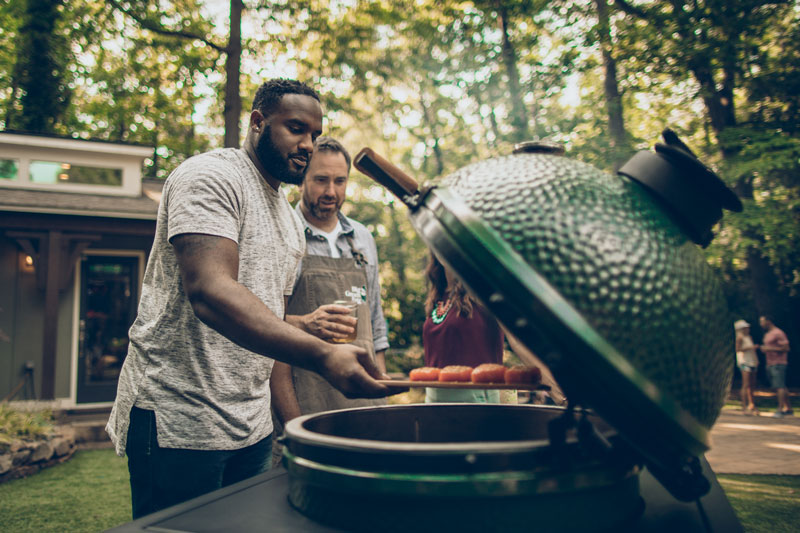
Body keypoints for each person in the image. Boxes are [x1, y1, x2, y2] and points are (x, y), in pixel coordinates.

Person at [105, 79, 390, 519]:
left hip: (252, 426)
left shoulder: (288, 219)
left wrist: (302, 325)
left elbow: (265, 319)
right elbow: (211, 292)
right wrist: (322, 355)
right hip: (181, 418)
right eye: (296, 128)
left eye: (314, 134)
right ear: (258, 122)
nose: (308, 144)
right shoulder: (211, 176)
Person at [270, 136, 389, 427]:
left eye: (340, 181)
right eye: (321, 180)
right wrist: (292, 426)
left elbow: (375, 323)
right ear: (301, 180)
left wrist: (381, 400)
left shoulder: (362, 238)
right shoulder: (284, 234)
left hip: (364, 402)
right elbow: (264, 327)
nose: (331, 191)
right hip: (307, 401)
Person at [759, 315, 792, 418]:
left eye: (762, 321)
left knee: (779, 386)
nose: (761, 324)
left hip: (778, 363)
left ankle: (780, 410)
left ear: (769, 321)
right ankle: (789, 409)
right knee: (780, 386)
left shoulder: (778, 333)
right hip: (770, 363)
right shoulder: (768, 334)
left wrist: (769, 349)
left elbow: (786, 348)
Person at [734, 319, 759, 415]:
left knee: (752, 385)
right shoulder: (739, 338)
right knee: (746, 384)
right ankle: (744, 407)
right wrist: (751, 348)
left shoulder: (749, 337)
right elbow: (737, 349)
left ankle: (752, 405)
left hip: (753, 362)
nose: (748, 329)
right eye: (745, 328)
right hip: (744, 362)